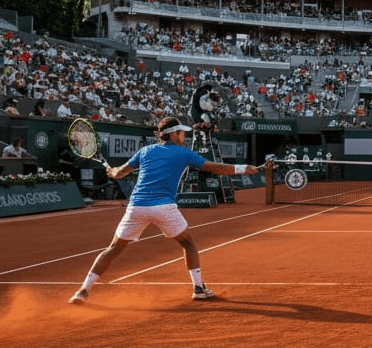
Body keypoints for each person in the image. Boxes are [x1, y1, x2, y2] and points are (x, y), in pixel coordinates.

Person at [68, 116, 259, 305]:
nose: (184, 135)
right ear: (173, 134)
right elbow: (214, 167)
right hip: (163, 207)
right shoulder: (183, 153)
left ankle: (83, 290)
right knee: (188, 244)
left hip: (137, 207)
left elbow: (119, 173)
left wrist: (113, 171)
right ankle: (199, 288)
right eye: (181, 132)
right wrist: (243, 168)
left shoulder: (144, 151)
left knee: (114, 248)